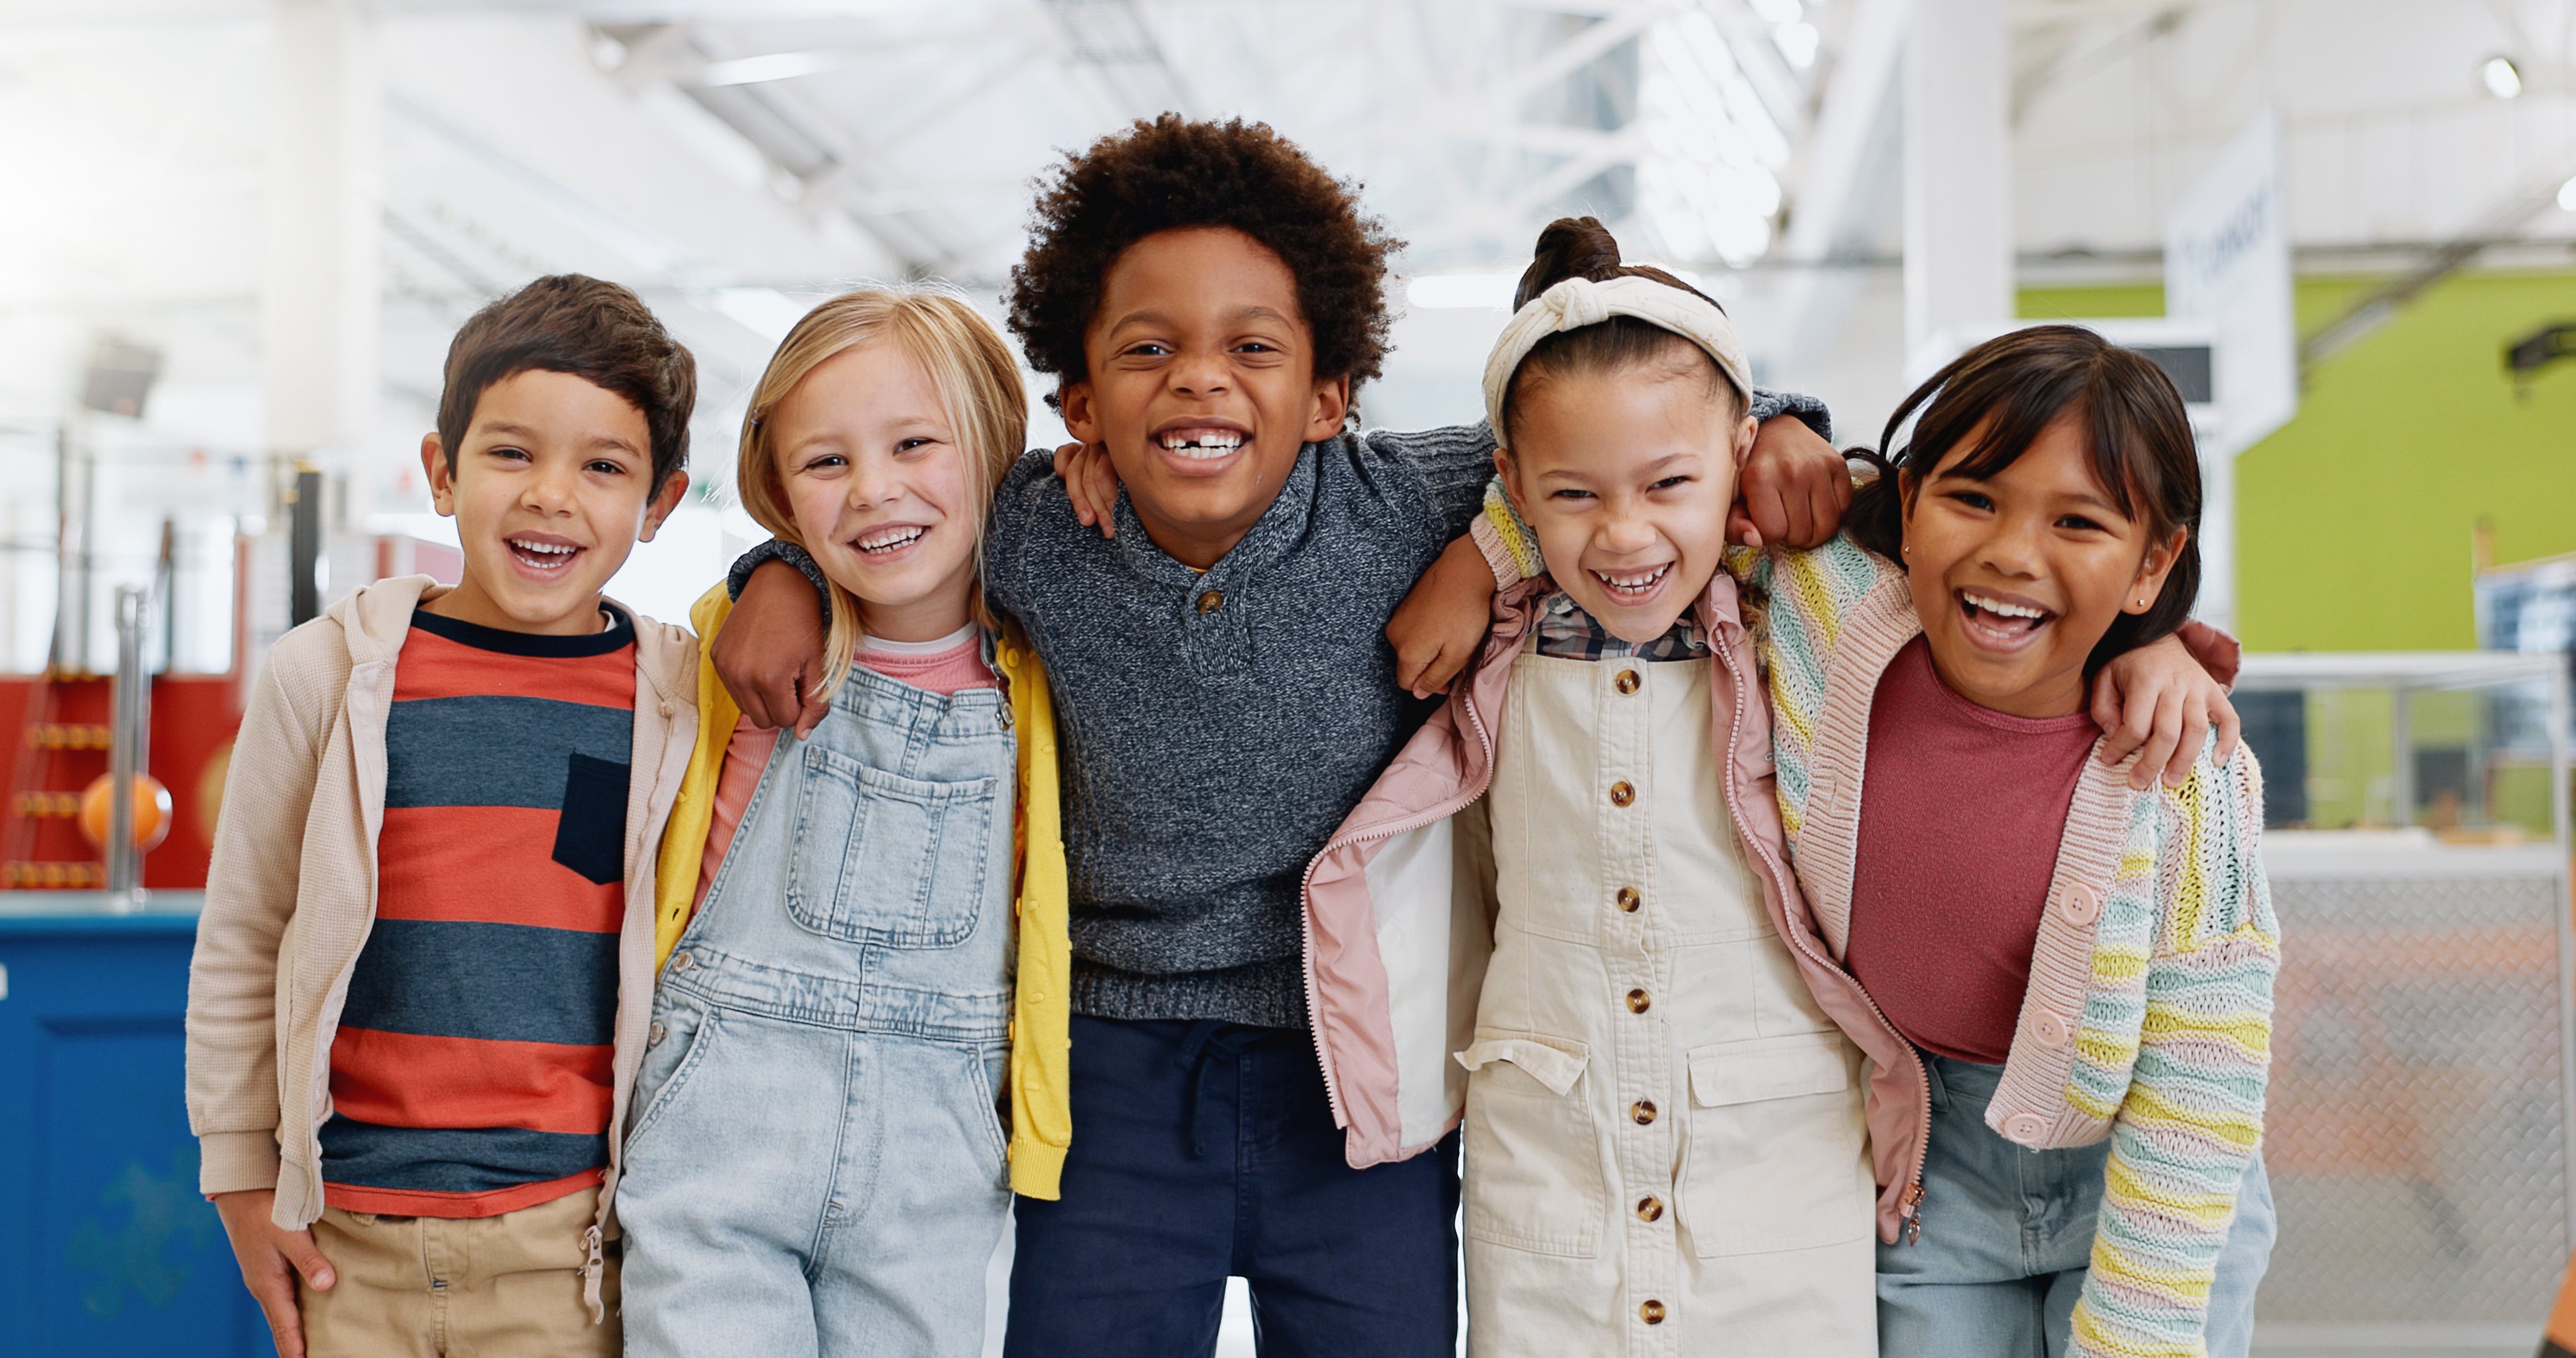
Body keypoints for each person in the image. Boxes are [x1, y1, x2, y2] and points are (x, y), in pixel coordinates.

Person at [709, 114, 1855, 1357]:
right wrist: (778, 569)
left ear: (1326, 396)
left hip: (1355, 1064)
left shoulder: (1404, 498)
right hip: (1111, 1074)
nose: (1198, 377)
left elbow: (1626, 408)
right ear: (1079, 402)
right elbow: (884, 510)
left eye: (1250, 347)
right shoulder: (1029, 526)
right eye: (1147, 349)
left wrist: (1781, 420)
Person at [1422, 321, 2277, 1357]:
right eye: (1973, 499)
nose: (2011, 551)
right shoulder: (1831, 611)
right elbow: (1648, 486)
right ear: (1910, 505)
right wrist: (1482, 560)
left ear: (2154, 565)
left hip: (2150, 1176)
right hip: (1924, 1160)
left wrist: (2135, 1332)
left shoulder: (2185, 769)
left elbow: (2203, 1073)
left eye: (2079, 523)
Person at [185, 275, 699, 1358]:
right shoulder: (327, 676)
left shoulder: (684, 698)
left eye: (604, 467)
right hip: (346, 1238)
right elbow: (244, 933)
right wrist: (237, 1171)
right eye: (512, 453)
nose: (552, 495)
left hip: (574, 1249)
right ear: (439, 471)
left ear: (659, 506)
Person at [611, 287, 1068, 1358]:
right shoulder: (734, 645)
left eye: (916, 443)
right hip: (718, 1126)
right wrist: (783, 569)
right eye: (826, 464)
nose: (874, 491)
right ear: (778, 492)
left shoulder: (1052, 667)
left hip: (940, 1160)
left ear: (999, 444)